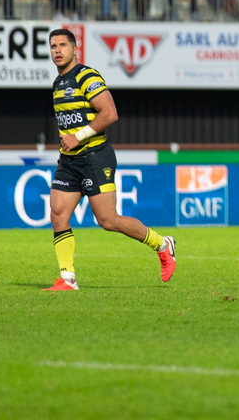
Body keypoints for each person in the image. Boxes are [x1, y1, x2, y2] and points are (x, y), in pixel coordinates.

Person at [43, 29, 176, 291]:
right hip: (69, 160)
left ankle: (163, 244)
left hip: (94, 156)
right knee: (58, 214)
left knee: (108, 221)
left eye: (62, 45)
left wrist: (78, 136)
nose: (57, 50)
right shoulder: (58, 84)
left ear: (75, 49)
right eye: (53, 46)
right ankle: (68, 279)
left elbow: (110, 113)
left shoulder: (86, 76)